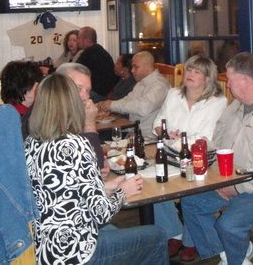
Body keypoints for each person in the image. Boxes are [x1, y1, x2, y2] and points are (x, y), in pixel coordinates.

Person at [25, 73, 168, 265]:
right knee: (156, 236)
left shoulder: (31, 143)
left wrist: (106, 188)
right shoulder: (75, 145)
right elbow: (101, 214)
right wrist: (123, 192)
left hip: (45, 250)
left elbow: (62, 192)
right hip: (76, 254)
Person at [181, 52, 253, 265]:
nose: (228, 85)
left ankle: (235, 257)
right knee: (191, 203)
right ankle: (229, 255)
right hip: (232, 177)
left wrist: (237, 188)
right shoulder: (236, 106)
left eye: (230, 79)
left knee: (229, 225)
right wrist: (201, 150)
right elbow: (218, 141)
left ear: (244, 80)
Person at [152, 55, 228, 261]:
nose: (190, 74)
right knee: (155, 185)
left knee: (190, 191)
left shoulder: (218, 102)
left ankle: (190, 240)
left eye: (197, 71)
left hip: (200, 160)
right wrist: (163, 131)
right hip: (171, 155)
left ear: (208, 78)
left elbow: (206, 137)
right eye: (188, 70)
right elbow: (158, 122)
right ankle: (173, 233)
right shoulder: (173, 94)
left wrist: (176, 139)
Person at [97, 51, 169, 141]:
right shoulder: (141, 83)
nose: (132, 70)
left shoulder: (160, 85)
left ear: (147, 66)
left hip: (149, 138)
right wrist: (107, 105)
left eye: (136, 67)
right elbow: (127, 99)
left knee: (100, 139)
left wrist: (111, 105)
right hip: (133, 132)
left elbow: (143, 108)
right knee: (99, 137)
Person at [55, 62, 106, 169]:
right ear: (60, 87)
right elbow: (94, 165)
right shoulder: (50, 120)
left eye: (88, 91)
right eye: (78, 89)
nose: (86, 97)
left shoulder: (68, 113)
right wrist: (89, 125)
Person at [75, 26, 119, 97]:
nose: (77, 41)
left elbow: (74, 70)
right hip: (107, 92)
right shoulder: (100, 50)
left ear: (86, 40)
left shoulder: (88, 53)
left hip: (98, 93)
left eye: (79, 38)